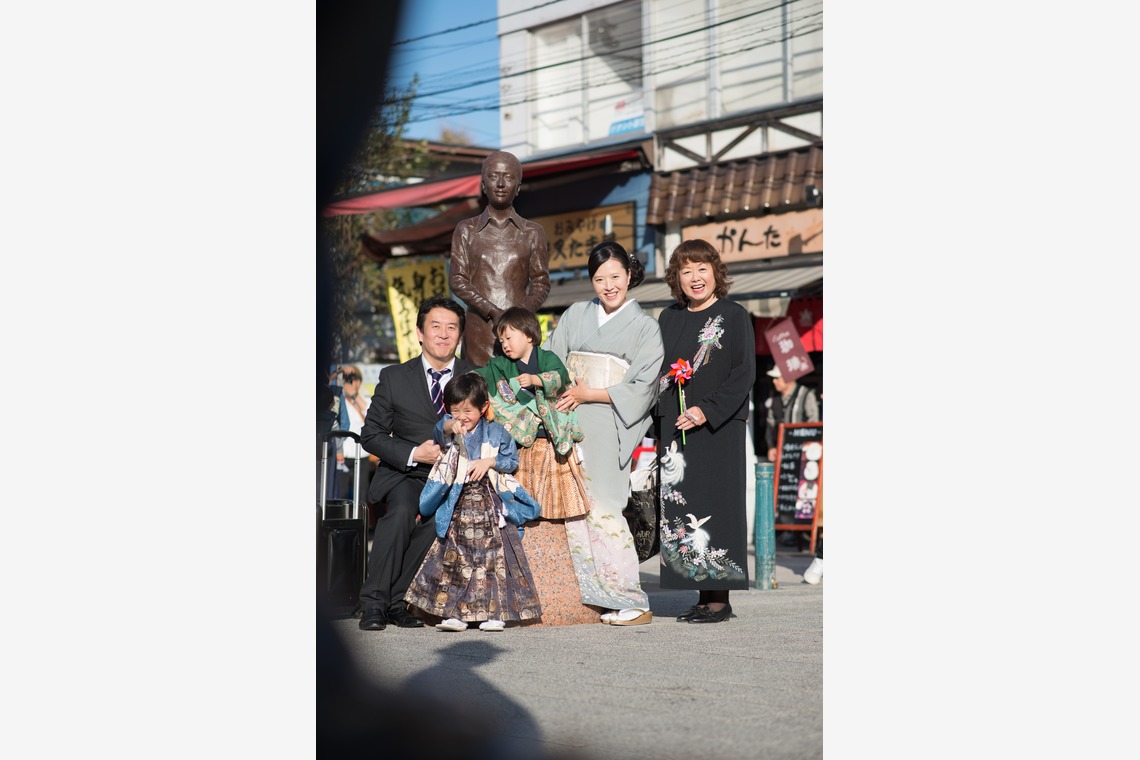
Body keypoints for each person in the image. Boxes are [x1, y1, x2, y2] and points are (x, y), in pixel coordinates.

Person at [543, 241, 664, 626]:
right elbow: (549, 360)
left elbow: (644, 386)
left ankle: (631, 599)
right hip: (568, 421)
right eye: (599, 279)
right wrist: (561, 388)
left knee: (606, 509)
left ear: (629, 275)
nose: (608, 286)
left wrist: (590, 393)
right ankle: (591, 597)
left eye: (615, 277)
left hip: (610, 421)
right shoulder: (576, 314)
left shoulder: (646, 328)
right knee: (574, 510)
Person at [356, 296, 477, 631]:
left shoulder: (473, 376)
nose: (443, 334)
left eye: (451, 327)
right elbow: (371, 435)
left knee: (438, 519)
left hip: (455, 476)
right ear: (420, 333)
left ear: (460, 335)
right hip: (407, 472)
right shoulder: (394, 376)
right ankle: (374, 603)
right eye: (435, 326)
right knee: (402, 512)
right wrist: (413, 453)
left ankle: (398, 602)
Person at [474, 307, 599, 626]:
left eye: (510, 337)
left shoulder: (548, 359)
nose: (505, 344)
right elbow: (490, 388)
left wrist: (537, 380)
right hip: (522, 444)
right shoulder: (498, 365)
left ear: (529, 335)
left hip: (554, 443)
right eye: (501, 339)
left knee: (564, 506)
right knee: (523, 501)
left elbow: (560, 380)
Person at [654, 238, 755, 623]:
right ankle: (702, 594)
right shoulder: (669, 318)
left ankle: (719, 600)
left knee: (717, 506)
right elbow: (657, 371)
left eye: (702, 269)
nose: (695, 277)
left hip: (718, 430)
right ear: (676, 278)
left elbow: (743, 373)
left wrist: (705, 411)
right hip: (676, 430)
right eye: (686, 270)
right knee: (685, 507)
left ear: (715, 272)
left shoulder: (733, 315)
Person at [405, 372, 543, 631]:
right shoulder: (450, 428)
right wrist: (451, 426)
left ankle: (495, 614)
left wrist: (489, 461)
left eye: (468, 410)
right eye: (455, 410)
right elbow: (440, 429)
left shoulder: (496, 431)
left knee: (494, 559)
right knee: (456, 559)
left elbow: (511, 461)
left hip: (490, 504)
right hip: (459, 505)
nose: (462, 416)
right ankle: (455, 613)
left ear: (484, 407)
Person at [449, 150, 550, 366]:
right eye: (494, 176)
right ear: (483, 185)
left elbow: (541, 283)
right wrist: (492, 311)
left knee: (521, 385)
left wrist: (518, 315)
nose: (501, 184)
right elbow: (457, 280)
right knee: (478, 384)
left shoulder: (533, 232)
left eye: (509, 177)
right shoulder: (466, 229)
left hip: (519, 333)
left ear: (518, 187)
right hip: (479, 331)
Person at [764, 365, 821, 462]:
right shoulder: (775, 398)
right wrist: (771, 446)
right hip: (782, 452)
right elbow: (770, 425)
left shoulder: (806, 395)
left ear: (788, 378)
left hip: (803, 454)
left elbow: (813, 423)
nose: (774, 381)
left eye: (777, 378)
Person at [337, 365, 374, 503]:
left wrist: (355, 396)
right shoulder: (339, 400)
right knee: (341, 493)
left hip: (361, 454)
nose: (352, 381)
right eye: (348, 378)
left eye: (354, 378)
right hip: (343, 454)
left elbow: (372, 415)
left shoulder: (364, 400)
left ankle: (359, 516)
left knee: (361, 493)